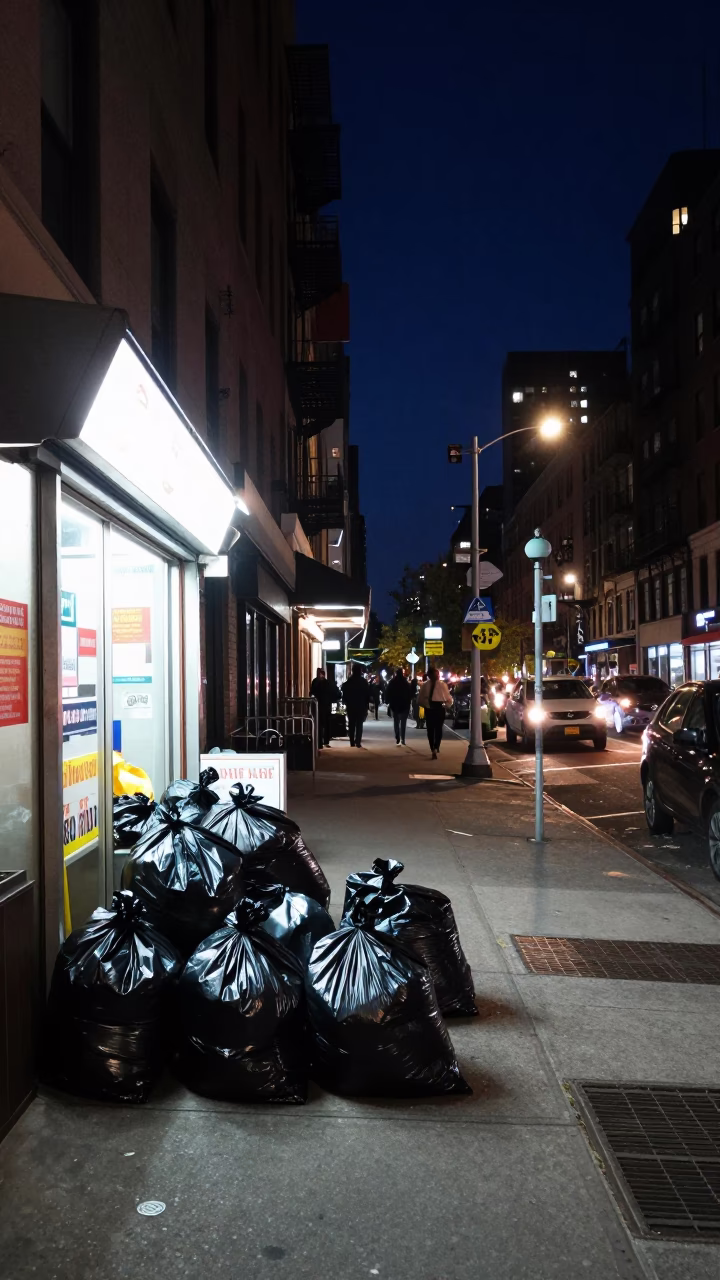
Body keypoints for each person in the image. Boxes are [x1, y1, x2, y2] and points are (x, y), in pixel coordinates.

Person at [417, 666, 453, 759]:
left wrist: (426, 704)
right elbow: (449, 699)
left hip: (430, 708)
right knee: (438, 729)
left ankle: (433, 747)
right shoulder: (442, 685)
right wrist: (447, 706)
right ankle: (436, 747)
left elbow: (420, 700)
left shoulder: (425, 685)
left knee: (430, 729)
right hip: (439, 708)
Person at [341, 664, 371, 747]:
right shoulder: (363, 682)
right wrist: (366, 705)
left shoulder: (349, 682)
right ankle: (358, 741)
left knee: (351, 724)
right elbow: (367, 695)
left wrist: (346, 702)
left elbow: (344, 692)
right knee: (359, 724)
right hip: (361, 706)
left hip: (351, 706)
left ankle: (352, 741)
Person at [310, 667, 340, 749]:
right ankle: (323, 741)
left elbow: (312, 692)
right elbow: (335, 693)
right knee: (324, 724)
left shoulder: (317, 682)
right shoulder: (324, 683)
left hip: (320, 707)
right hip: (324, 706)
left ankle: (322, 742)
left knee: (321, 724)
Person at [385, 668, 414, 745]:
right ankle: (403, 738)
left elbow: (388, 692)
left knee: (396, 721)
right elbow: (410, 694)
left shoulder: (392, 682)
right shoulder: (406, 683)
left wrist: (387, 701)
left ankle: (397, 736)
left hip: (395, 705)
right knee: (403, 723)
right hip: (404, 705)